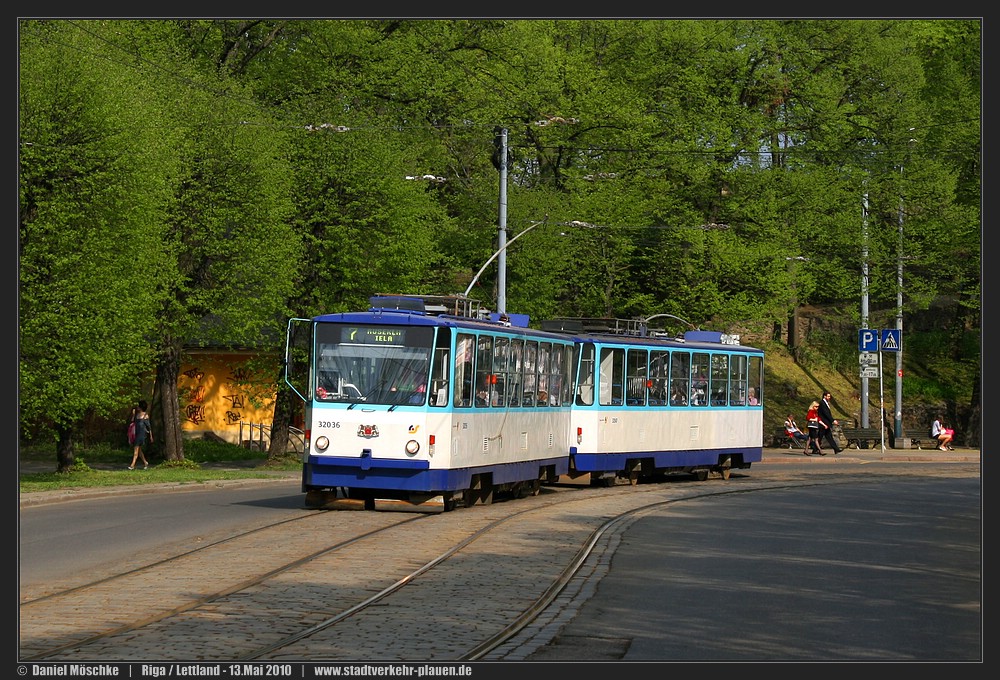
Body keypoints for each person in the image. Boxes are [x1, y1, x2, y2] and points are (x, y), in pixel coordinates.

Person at [128, 400, 153, 470]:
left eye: (139, 406)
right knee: (139, 450)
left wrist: (151, 436)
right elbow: (132, 422)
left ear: (141, 407)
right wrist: (133, 415)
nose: (137, 407)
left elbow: (149, 427)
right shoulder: (137, 415)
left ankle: (132, 465)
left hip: (141, 434)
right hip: (136, 433)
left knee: (136, 449)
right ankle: (145, 462)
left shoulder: (145, 415)